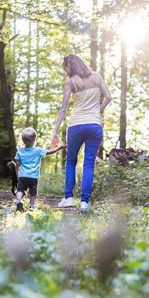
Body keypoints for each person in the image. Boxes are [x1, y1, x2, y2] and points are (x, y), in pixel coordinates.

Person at [51, 54, 112, 212]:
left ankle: (68, 198)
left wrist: (55, 131)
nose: (66, 72)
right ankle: (85, 202)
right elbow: (108, 97)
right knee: (88, 164)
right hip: (94, 125)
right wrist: (97, 111)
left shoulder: (71, 83)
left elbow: (63, 108)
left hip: (76, 125)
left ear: (69, 67)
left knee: (71, 161)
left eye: (66, 69)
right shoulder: (97, 76)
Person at [14, 127, 66, 212]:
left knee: (20, 190)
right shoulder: (38, 150)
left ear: (22, 141)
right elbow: (49, 152)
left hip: (22, 176)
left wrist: (17, 173)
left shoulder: (19, 152)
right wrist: (59, 148)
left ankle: (19, 200)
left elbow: (17, 164)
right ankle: (31, 206)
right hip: (33, 176)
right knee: (33, 192)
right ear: (34, 140)